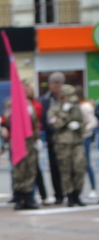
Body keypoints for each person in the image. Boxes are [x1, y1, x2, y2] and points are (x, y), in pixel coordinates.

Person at [1, 81, 40, 210]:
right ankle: (19, 198)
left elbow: (35, 124)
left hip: (29, 141)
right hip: (17, 141)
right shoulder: (11, 104)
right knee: (19, 170)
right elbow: (6, 122)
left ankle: (29, 197)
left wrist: (37, 138)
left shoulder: (30, 104)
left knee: (30, 169)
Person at [48, 84, 86, 206]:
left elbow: (83, 125)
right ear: (62, 97)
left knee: (79, 168)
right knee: (66, 170)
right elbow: (55, 124)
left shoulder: (76, 108)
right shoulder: (54, 109)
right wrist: (64, 113)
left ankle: (77, 194)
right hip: (62, 144)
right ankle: (69, 196)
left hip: (76, 143)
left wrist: (78, 126)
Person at [40, 71, 66, 204]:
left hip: (67, 139)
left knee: (68, 167)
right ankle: (58, 194)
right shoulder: (45, 100)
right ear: (49, 84)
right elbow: (45, 119)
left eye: (59, 82)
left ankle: (72, 193)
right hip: (53, 138)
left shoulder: (67, 98)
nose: (56, 86)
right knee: (55, 168)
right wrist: (55, 128)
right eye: (54, 83)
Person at [77, 88, 97, 198]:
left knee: (86, 163)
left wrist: (84, 129)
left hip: (85, 137)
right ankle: (78, 190)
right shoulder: (75, 106)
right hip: (77, 139)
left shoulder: (85, 106)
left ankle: (93, 188)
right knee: (77, 165)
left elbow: (93, 122)